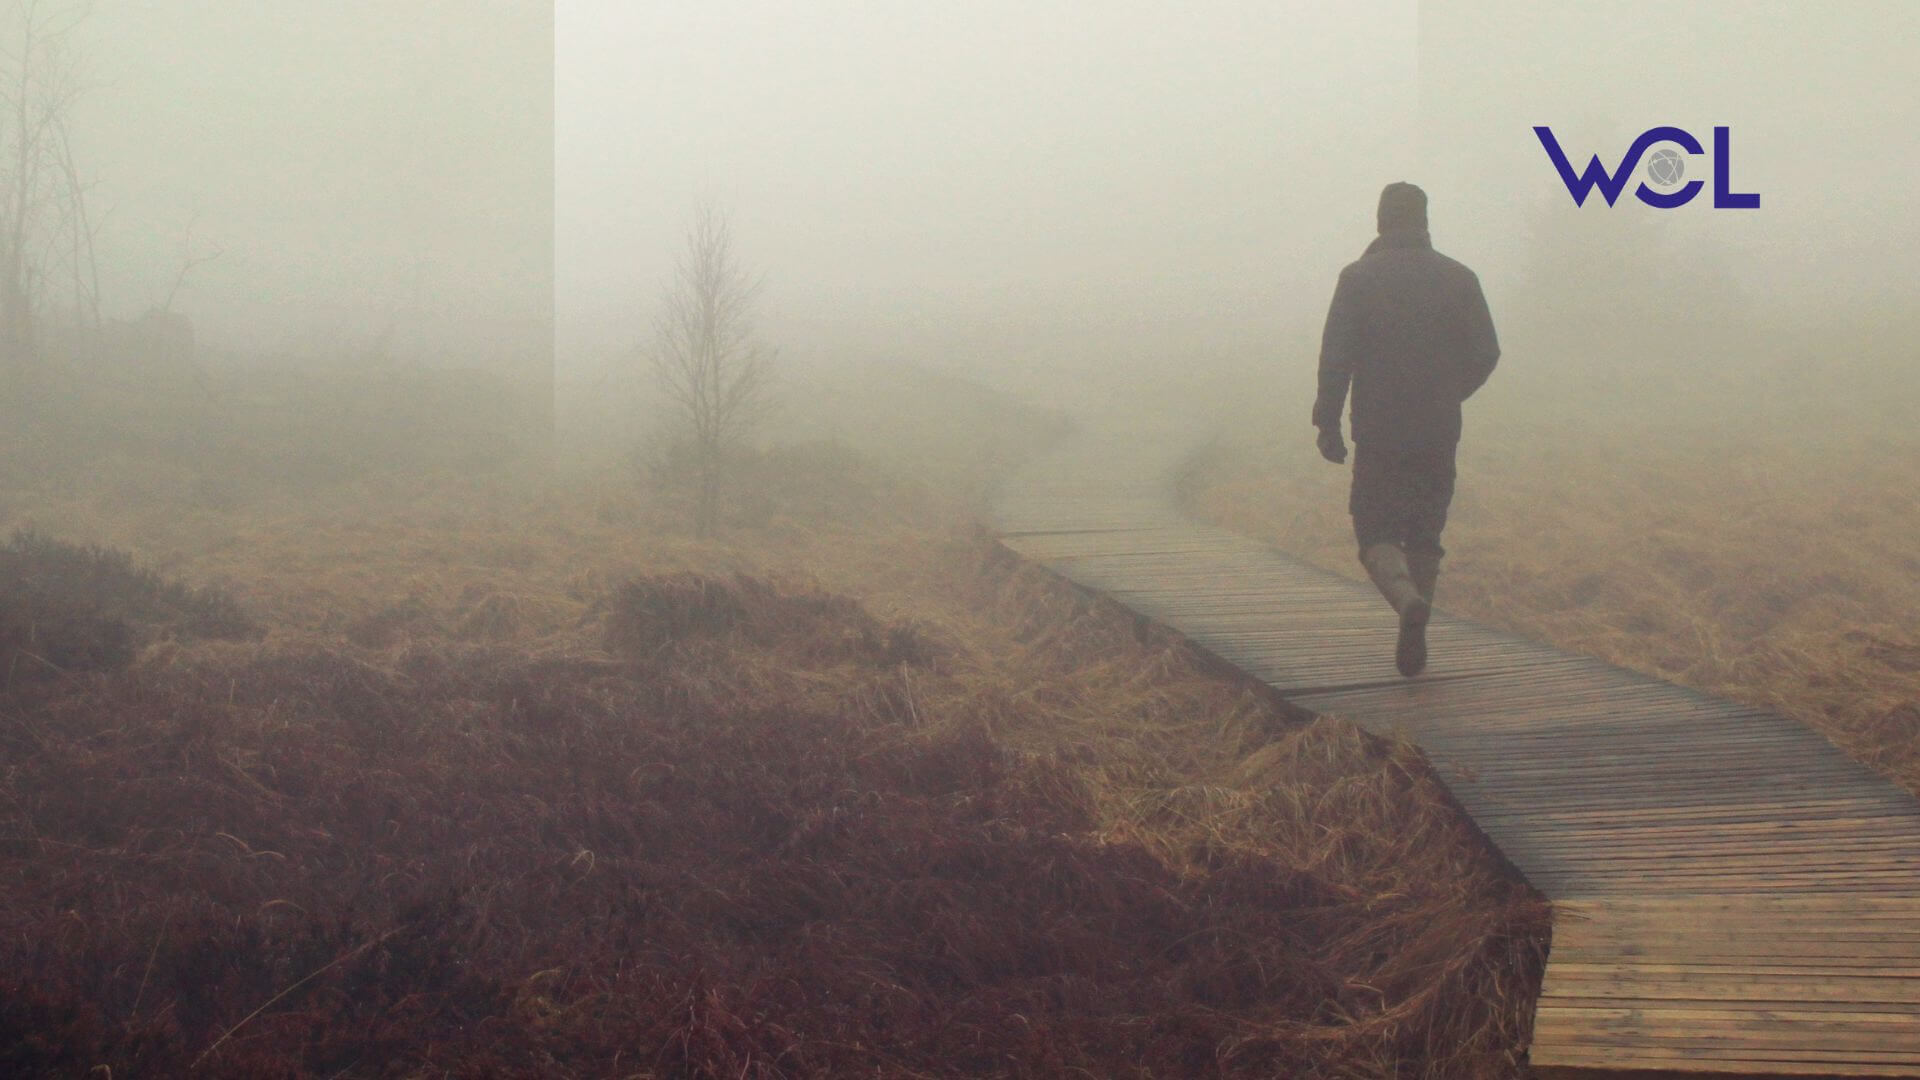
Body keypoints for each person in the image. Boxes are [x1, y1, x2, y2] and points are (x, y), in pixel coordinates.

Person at [1313, 182, 1500, 677]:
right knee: (1425, 530)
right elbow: (1487, 353)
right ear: (1424, 221)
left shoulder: (1357, 279)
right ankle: (1418, 609)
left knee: (1373, 525)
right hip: (1438, 426)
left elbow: (1336, 358)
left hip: (1378, 426)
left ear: (1380, 221)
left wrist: (1327, 422)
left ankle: (1405, 600)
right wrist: (1448, 393)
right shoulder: (1461, 278)